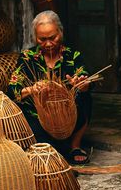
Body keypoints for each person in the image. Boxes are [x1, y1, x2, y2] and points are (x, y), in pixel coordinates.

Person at [8, 11, 93, 164]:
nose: (48, 44)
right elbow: (12, 90)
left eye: (53, 38)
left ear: (61, 32)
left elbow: (86, 78)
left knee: (85, 97)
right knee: (52, 155)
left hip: (68, 117)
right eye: (42, 39)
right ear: (35, 37)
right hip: (38, 117)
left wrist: (82, 85)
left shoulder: (72, 56)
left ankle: (75, 145)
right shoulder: (27, 58)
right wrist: (32, 89)